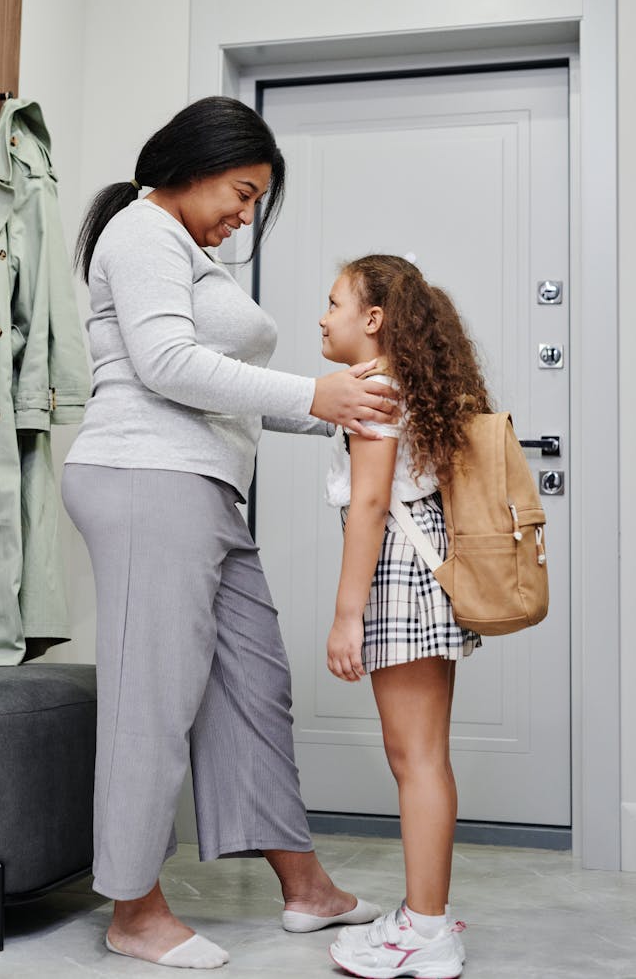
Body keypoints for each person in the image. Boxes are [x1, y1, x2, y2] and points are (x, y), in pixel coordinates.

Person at [62, 97, 398, 970]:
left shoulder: (179, 249)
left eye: (254, 202)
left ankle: (305, 885)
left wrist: (335, 412)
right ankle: (133, 907)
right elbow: (167, 365)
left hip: (205, 485)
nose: (244, 217)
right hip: (145, 478)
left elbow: (225, 388)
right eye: (242, 193)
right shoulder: (141, 234)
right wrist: (314, 396)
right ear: (194, 161)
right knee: (154, 700)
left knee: (253, 684)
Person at [319, 255, 490, 979]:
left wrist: (345, 615)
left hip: (400, 576)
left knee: (415, 758)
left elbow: (368, 506)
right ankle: (425, 915)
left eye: (334, 303)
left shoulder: (377, 391)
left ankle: (426, 930)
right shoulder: (395, 385)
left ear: (374, 319)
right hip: (423, 576)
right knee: (421, 756)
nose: (323, 317)